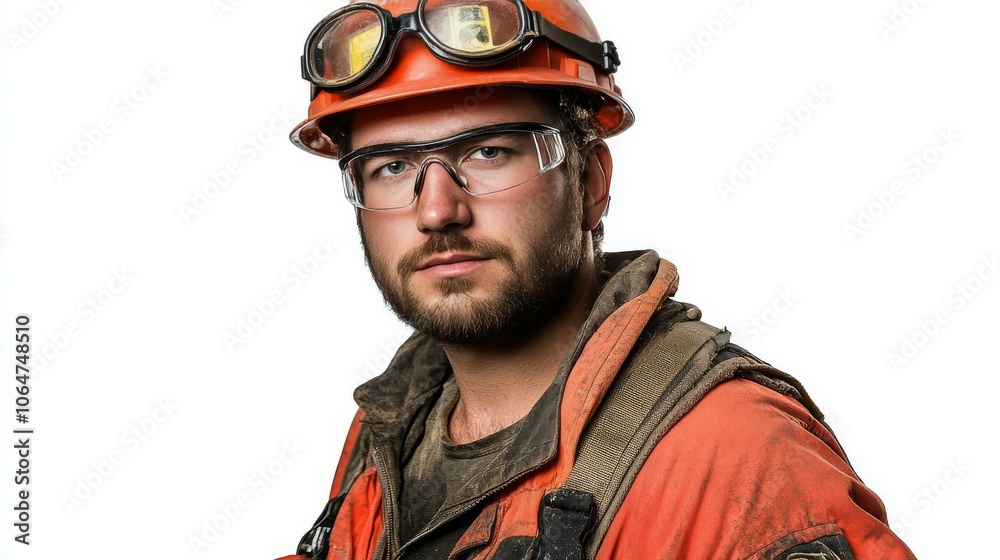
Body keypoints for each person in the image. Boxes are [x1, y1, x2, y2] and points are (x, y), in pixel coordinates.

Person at [280, 1, 917, 558]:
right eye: (391, 167)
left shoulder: (734, 455)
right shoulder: (388, 431)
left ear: (591, 182)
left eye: (488, 152)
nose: (437, 210)